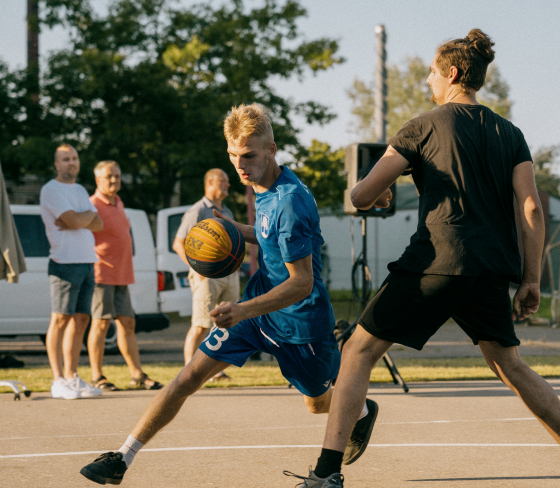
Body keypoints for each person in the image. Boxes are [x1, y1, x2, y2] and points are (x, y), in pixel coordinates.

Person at [291, 30, 560, 488]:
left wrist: (380, 193)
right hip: (488, 270)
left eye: (430, 72)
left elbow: (360, 193)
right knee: (510, 365)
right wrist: (531, 280)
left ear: (452, 73)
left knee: (357, 351)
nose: (427, 80)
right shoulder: (511, 133)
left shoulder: (421, 127)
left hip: (434, 263)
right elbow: (531, 208)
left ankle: (326, 473)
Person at [79, 103, 377, 485]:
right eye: (234, 155)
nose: (240, 165)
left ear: (272, 148)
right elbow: (268, 235)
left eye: (249, 155)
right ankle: (121, 457)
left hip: (301, 325)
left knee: (318, 403)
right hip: (255, 314)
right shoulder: (263, 188)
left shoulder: (290, 201)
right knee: (187, 377)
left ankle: (362, 411)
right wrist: (235, 228)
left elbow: (301, 282)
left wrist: (240, 309)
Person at [87, 160, 163, 391]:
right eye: (109, 176)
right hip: (101, 273)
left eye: (117, 176)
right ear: (98, 180)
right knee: (101, 324)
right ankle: (97, 376)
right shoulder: (92, 205)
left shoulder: (118, 202)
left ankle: (137, 374)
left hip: (122, 273)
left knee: (128, 323)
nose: (114, 180)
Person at [40, 144, 103, 400]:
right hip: (64, 263)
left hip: (87, 261)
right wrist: (82, 218)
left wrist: (81, 217)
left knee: (81, 321)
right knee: (60, 320)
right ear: (56, 164)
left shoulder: (79, 189)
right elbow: (76, 221)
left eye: (74, 158)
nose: (71, 163)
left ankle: (72, 376)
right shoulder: (50, 189)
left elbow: (97, 223)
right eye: (65, 159)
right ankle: (57, 380)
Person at [171, 168, 239, 380]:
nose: (228, 184)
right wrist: (196, 267)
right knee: (201, 324)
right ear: (210, 182)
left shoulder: (227, 211)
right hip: (207, 275)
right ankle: (188, 373)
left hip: (229, 274)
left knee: (226, 323)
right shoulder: (198, 210)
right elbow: (178, 243)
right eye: (223, 180)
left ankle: (215, 371)